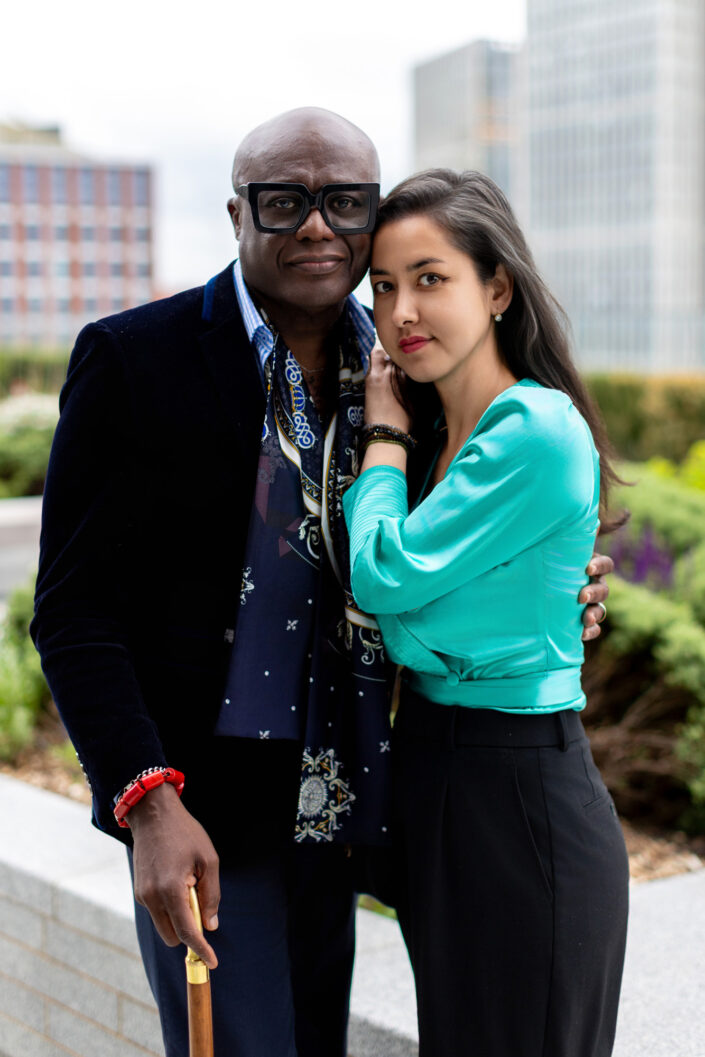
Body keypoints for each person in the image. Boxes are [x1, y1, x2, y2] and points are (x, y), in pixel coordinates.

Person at [31, 111, 613, 1057]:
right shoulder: (135, 358)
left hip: (356, 807)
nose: (315, 225)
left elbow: (469, 537)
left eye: (345, 202)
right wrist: (147, 803)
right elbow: (73, 612)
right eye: (283, 200)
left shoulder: (403, 368)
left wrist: (555, 588)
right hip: (206, 820)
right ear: (237, 213)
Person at [343, 169, 629, 1057]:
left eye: (429, 278)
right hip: (435, 779)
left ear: (497, 288)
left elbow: (380, 575)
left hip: (520, 797)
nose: (401, 311)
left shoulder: (532, 428)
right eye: (382, 286)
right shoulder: (437, 443)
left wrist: (382, 435)